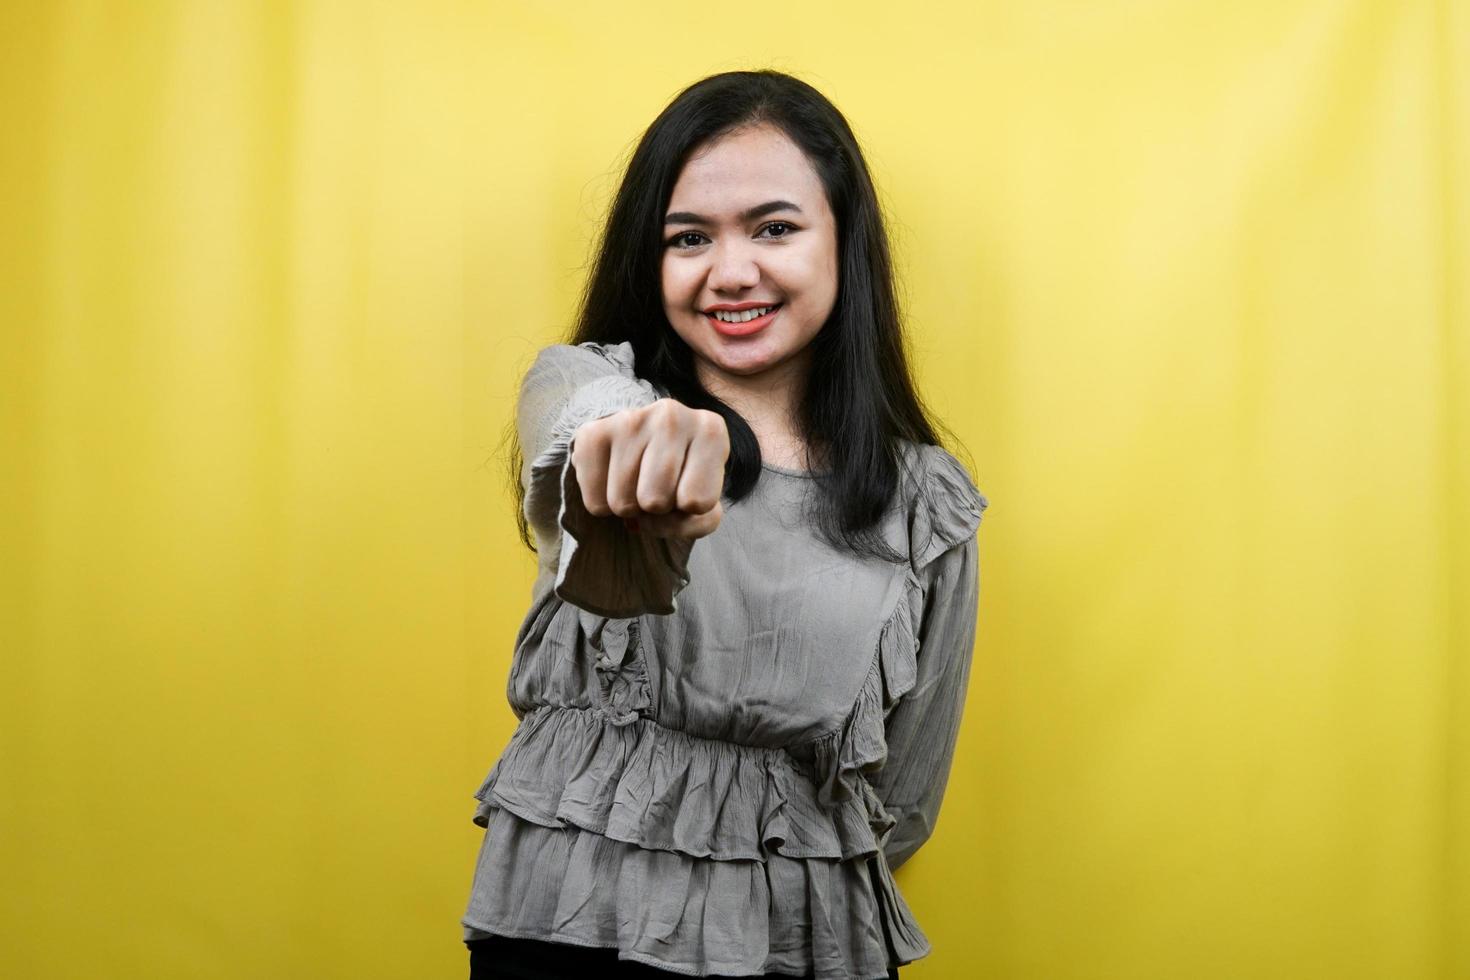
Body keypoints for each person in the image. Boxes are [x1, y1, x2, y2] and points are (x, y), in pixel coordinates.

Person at [462, 69, 990, 980]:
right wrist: (644, 446)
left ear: (842, 242)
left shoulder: (926, 501)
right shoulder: (585, 386)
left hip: (807, 945)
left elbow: (902, 801)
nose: (731, 271)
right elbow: (583, 426)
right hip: (570, 931)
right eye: (689, 238)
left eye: (775, 228)